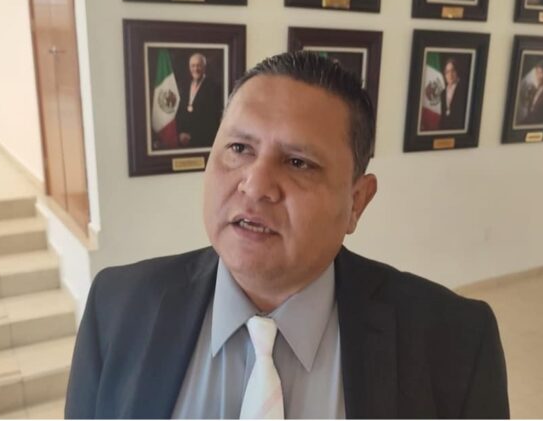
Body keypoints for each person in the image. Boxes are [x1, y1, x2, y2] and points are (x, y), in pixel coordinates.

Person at [65, 51, 509, 419]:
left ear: (357, 201)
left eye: (298, 163)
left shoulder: (455, 342)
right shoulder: (117, 307)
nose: (255, 185)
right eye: (239, 148)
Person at [175, 52, 222, 148]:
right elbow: (180, 112)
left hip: (203, 140)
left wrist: (192, 136)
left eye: (198, 65)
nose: (195, 69)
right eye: (193, 66)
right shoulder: (184, 87)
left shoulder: (213, 87)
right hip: (183, 141)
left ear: (204, 67)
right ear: (189, 68)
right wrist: (180, 133)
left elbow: (212, 119)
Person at [520, 61, 543, 126]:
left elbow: (539, 114)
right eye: (537, 73)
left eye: (541, 73)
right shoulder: (535, 89)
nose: (538, 76)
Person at [440, 58, 468, 130]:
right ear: (445, 75)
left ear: (457, 72)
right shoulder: (443, 93)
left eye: (453, 70)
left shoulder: (463, 90)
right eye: (447, 72)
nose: (450, 74)